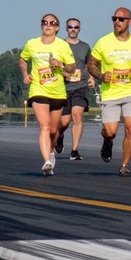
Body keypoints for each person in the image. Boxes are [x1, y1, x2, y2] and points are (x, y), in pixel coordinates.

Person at [86, 8, 131, 177]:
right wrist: (102, 76)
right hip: (111, 93)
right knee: (111, 131)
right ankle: (107, 141)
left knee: (130, 127)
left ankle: (125, 165)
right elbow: (91, 64)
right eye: (114, 18)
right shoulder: (103, 42)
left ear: (129, 22)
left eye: (121, 19)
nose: (117, 21)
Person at [20, 14, 77, 176]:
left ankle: (51, 151)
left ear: (57, 28)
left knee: (53, 130)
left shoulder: (63, 46)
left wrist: (61, 65)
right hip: (38, 89)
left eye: (52, 23)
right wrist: (25, 73)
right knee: (44, 126)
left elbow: (72, 68)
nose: (48, 25)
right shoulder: (32, 44)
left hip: (57, 92)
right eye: (45, 22)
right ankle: (46, 161)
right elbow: (23, 59)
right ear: (41, 26)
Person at [55, 17, 95, 161]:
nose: (73, 29)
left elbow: (88, 65)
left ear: (79, 29)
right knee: (64, 122)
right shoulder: (59, 45)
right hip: (63, 87)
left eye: (76, 27)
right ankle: (59, 136)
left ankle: (74, 150)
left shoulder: (85, 47)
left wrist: (91, 78)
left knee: (77, 115)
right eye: (70, 27)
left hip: (80, 86)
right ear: (66, 29)